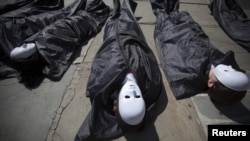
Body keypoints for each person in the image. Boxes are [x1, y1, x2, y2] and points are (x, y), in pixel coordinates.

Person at [75, 0, 167, 140]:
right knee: (128, 16)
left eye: (128, 97)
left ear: (115, 105)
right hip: (133, 35)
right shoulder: (152, 84)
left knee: (114, 19)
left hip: (113, 36)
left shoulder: (101, 86)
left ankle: (117, 9)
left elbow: (100, 63)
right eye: (137, 97)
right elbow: (149, 56)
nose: (132, 92)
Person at [150, 0, 249, 105]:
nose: (229, 67)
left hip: (172, 24)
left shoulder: (190, 69)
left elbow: (171, 38)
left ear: (210, 83)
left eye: (227, 71)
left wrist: (168, 17)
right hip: (183, 24)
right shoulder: (217, 66)